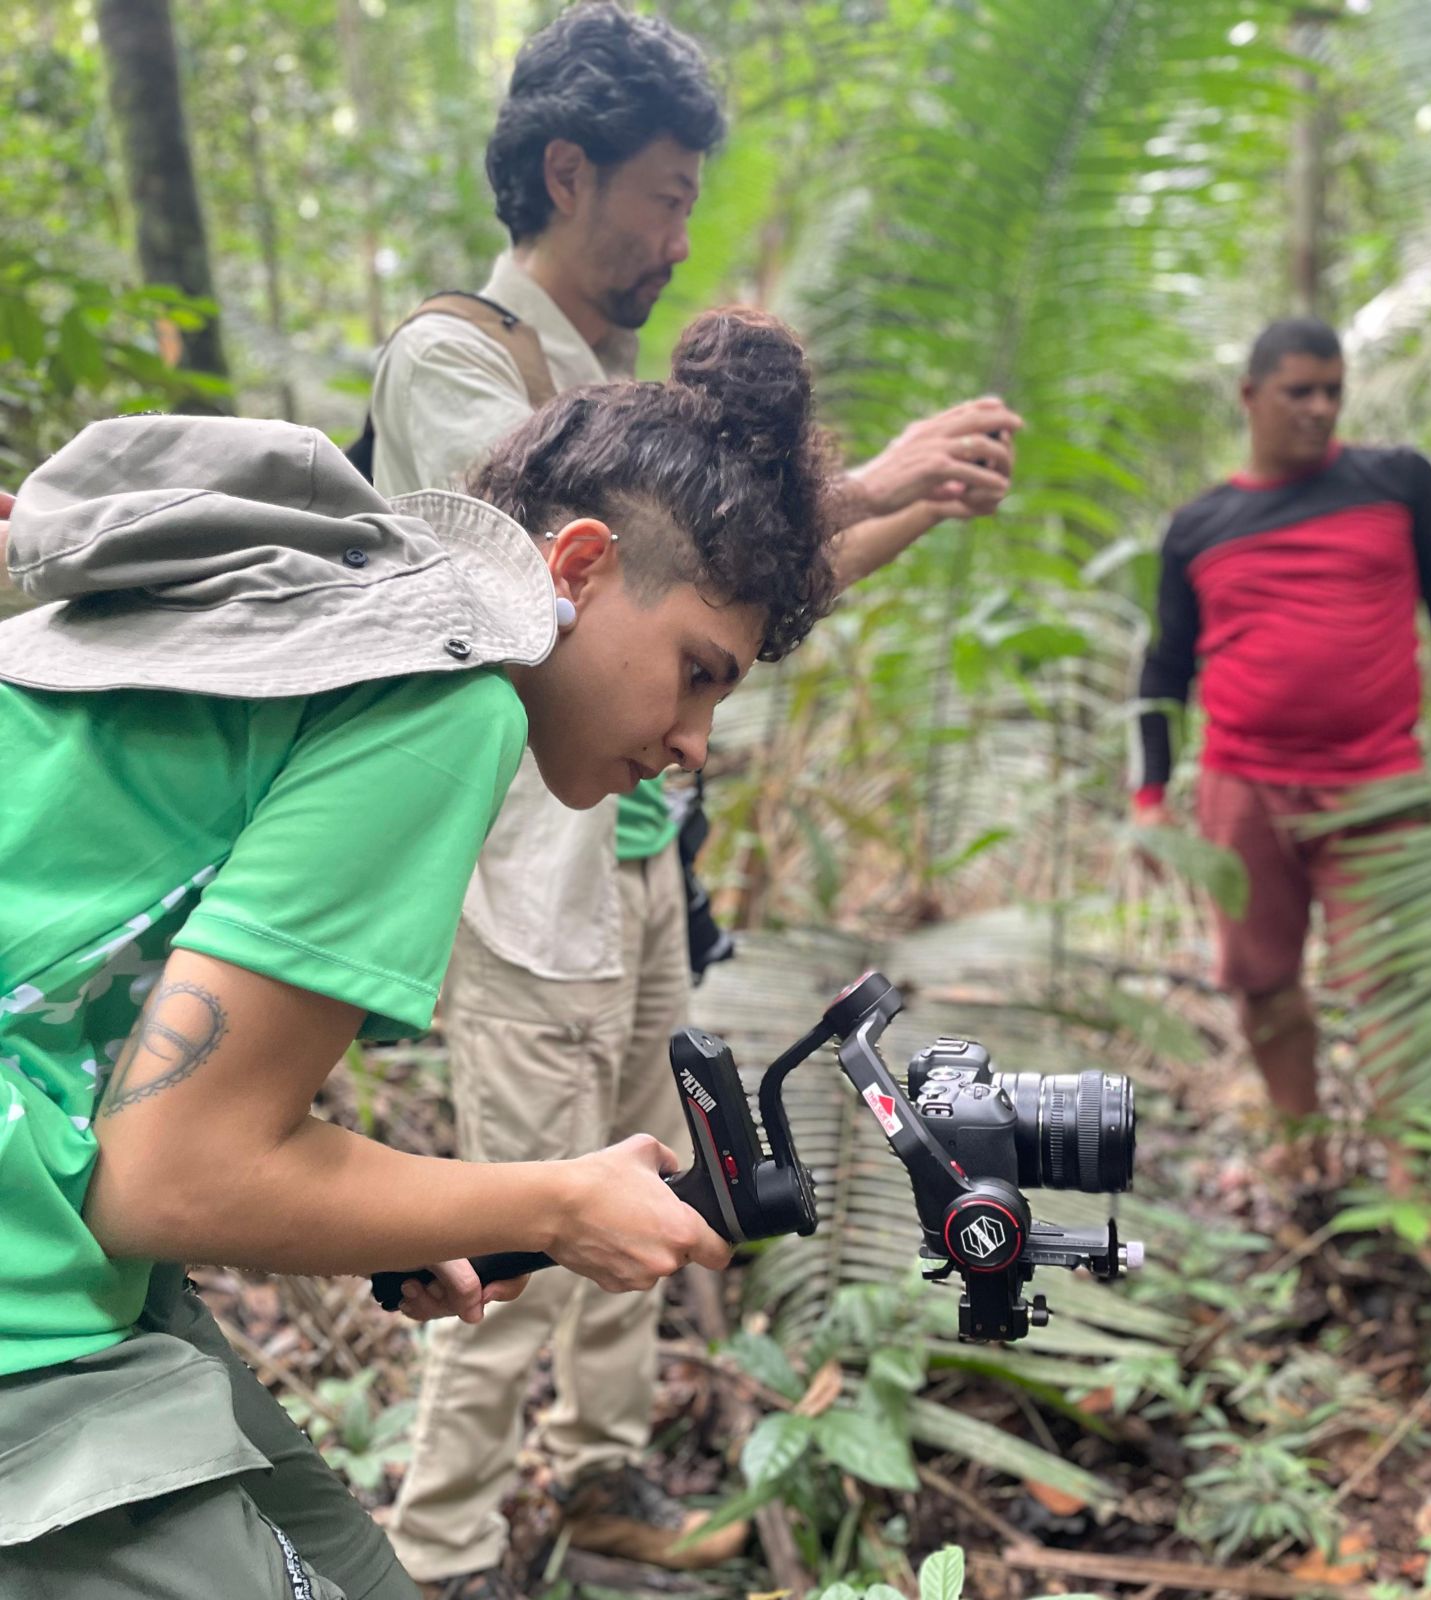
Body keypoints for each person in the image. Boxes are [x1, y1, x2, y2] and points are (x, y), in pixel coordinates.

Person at [0, 306, 840, 1600]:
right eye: (693, 673)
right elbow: (172, 1174)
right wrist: (552, 1203)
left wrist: (392, 1220)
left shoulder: (343, 618)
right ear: (576, 569)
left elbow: (165, 1086)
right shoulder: (449, 705)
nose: (692, 745)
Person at [367, 5, 1021, 1591]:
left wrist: (896, 512)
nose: (679, 233)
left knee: (648, 1184)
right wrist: (853, 484)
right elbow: (565, 563)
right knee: (508, 1234)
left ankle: (596, 1483)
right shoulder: (461, 358)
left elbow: (716, 616)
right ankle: (440, 1548)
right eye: (663, 194)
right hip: (520, 884)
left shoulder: (605, 370)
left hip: (635, 872)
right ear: (568, 171)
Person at [1131, 314, 1431, 1190]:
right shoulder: (1197, 527)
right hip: (1242, 788)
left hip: (1378, 783)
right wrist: (1148, 798)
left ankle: (1411, 1176)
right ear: (1250, 396)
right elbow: (1165, 665)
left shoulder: (1397, 483)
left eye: (1333, 390)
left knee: (1395, 982)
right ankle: (1303, 1148)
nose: (1321, 408)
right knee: (1260, 984)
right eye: (1300, 391)